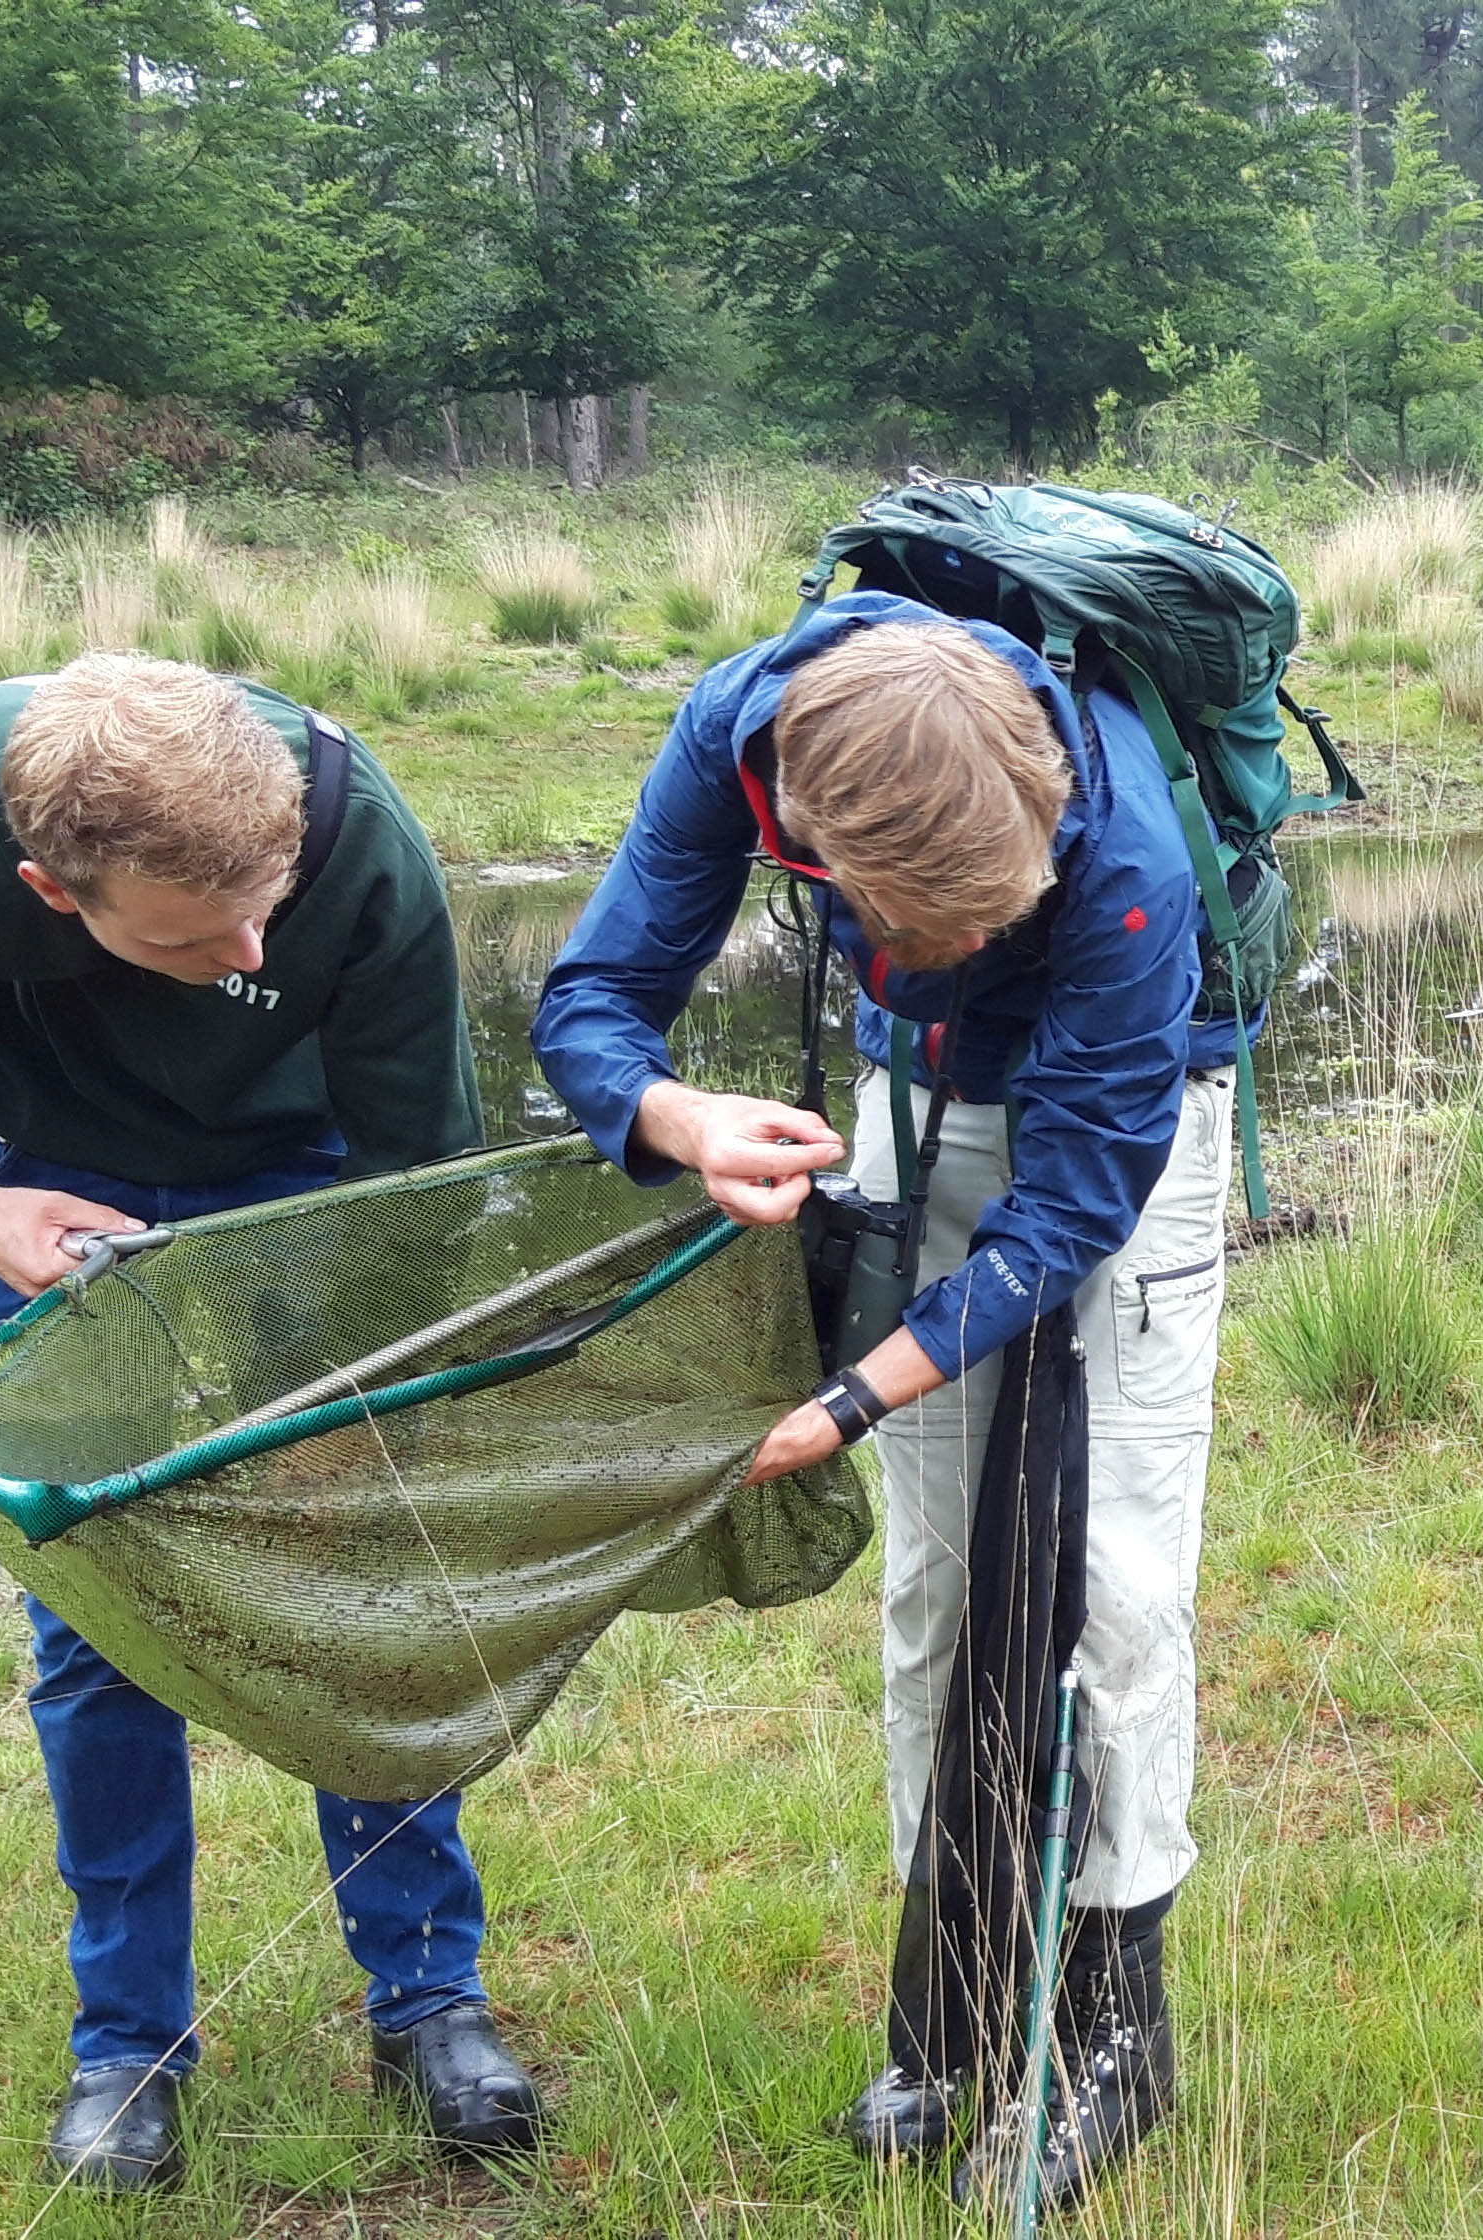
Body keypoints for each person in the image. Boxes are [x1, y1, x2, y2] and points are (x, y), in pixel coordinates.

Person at [0, 650, 518, 2191]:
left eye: (261, 912)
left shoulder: (355, 842)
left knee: (359, 1579)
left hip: (313, 1182)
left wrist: (368, 1412)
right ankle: (131, 2045)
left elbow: (419, 1164)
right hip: (45, 1177)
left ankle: (428, 1998)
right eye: (190, 935)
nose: (244, 948)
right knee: (92, 1619)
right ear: (47, 889)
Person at [529, 597, 1222, 2212]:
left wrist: (846, 1396)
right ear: (822, 855)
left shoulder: (1123, 860)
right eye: (935, 929)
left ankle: (1118, 2026)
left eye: (983, 925)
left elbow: (1068, 1215)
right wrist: (681, 1117)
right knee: (933, 1590)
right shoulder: (746, 733)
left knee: (1107, 1589)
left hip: (1132, 1130)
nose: (964, 947)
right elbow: (588, 1006)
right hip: (915, 1104)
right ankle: (955, 1996)